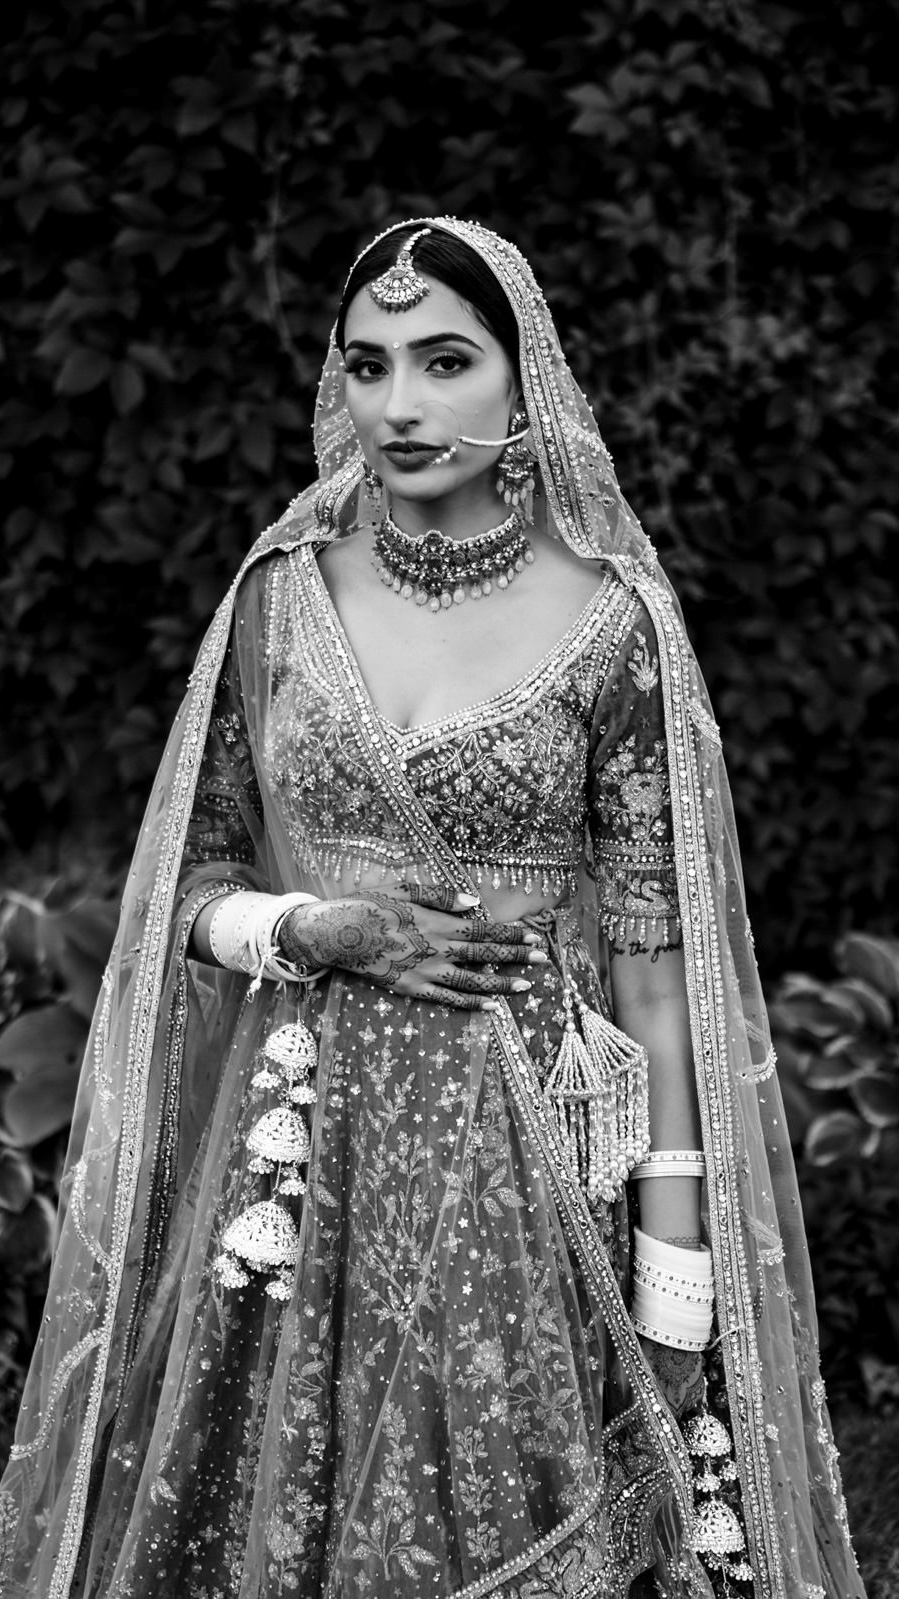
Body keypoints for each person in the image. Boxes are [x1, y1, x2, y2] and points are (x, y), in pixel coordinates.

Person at [0, 219, 865, 1599]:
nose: (400, 406)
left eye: (445, 360)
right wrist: (308, 932)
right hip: (292, 1158)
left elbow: (657, 975)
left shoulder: (613, 626)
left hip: (520, 1174)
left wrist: (676, 1274)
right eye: (368, 364)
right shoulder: (278, 605)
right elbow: (189, 886)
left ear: (526, 387)